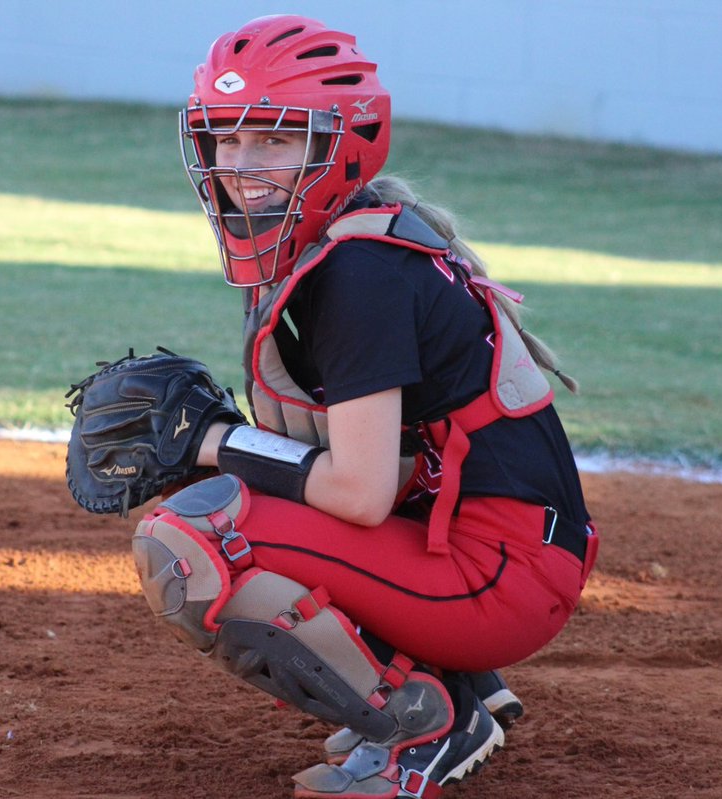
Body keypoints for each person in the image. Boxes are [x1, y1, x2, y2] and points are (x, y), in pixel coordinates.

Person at [131, 14, 598, 798]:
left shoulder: (361, 272)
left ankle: (428, 718)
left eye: (274, 139)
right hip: (499, 549)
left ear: (343, 142)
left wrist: (216, 442)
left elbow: (360, 491)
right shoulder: (351, 243)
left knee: (189, 537)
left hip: (501, 577)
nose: (240, 164)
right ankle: (451, 674)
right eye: (226, 137)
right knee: (239, 488)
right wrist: (226, 447)